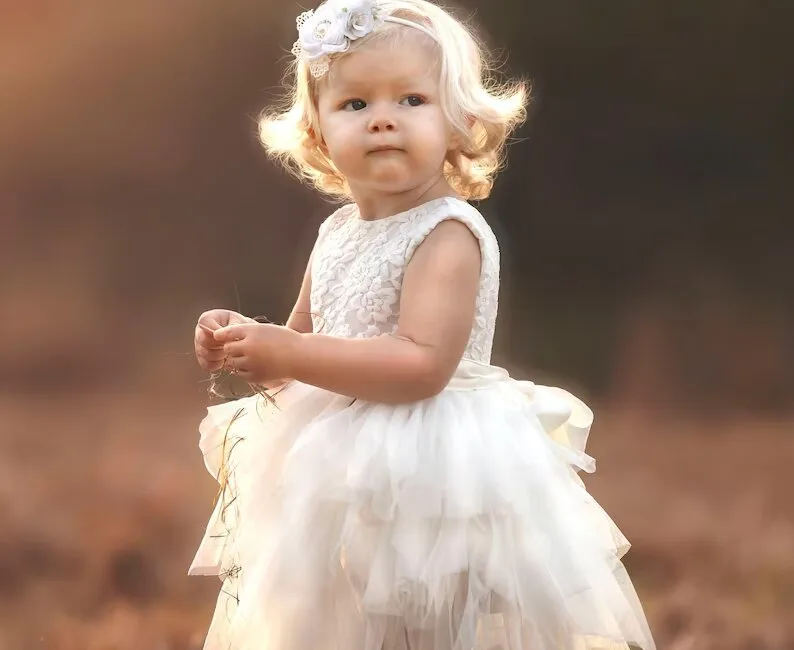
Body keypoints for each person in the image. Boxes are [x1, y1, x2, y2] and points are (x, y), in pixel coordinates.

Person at [189, 1, 656, 649]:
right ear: (319, 133)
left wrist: (291, 353)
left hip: (435, 465)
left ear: (458, 121)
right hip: (336, 464)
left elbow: (420, 365)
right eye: (354, 104)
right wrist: (247, 342)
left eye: (411, 99)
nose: (382, 117)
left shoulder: (447, 233)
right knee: (342, 619)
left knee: (432, 619)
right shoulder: (336, 232)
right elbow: (301, 347)